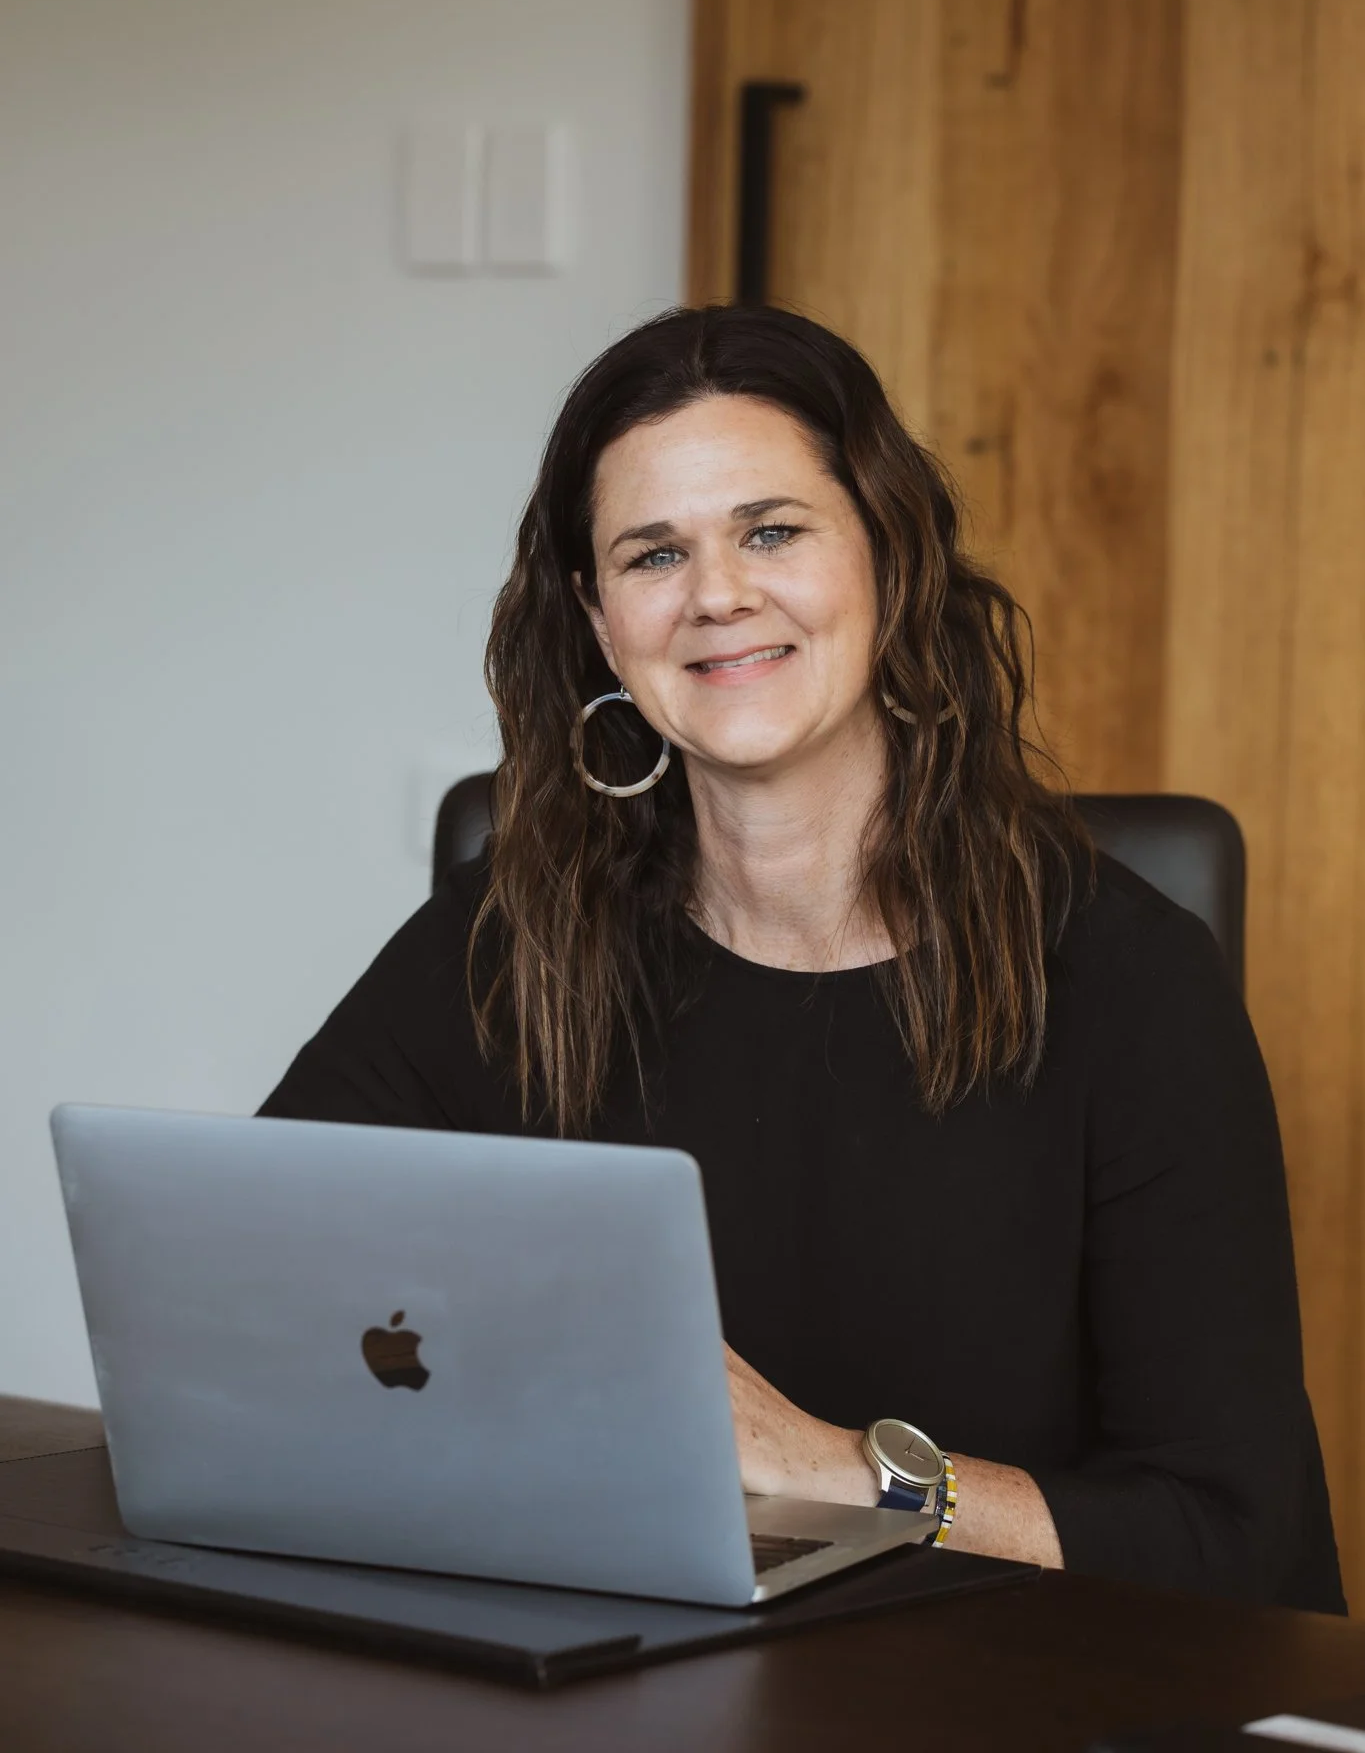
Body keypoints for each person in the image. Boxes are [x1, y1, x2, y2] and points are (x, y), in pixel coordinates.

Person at [261, 303, 1344, 1610]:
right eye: (654, 554)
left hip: (1014, 1703)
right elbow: (263, 1279)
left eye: (772, 531)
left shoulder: (1131, 983)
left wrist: (836, 1471)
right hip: (621, 1681)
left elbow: (1224, 1538)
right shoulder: (509, 938)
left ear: (888, 557)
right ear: (601, 623)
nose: (719, 595)